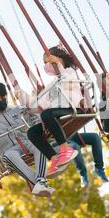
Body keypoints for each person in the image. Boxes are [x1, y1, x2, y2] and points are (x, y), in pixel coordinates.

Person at [18, 46, 91, 178]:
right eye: (45, 63)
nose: (47, 65)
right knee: (32, 132)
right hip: (56, 113)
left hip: (72, 107)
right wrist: (24, 98)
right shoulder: (53, 82)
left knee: (47, 114)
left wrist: (57, 64)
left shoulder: (70, 72)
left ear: (60, 59)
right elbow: (39, 103)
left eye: (49, 61)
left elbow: (67, 82)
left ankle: (65, 148)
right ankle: (54, 158)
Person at [0, 81, 53, 197]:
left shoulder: (18, 110)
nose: (0, 101)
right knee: (9, 156)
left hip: (26, 142)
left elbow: (37, 118)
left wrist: (25, 99)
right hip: (8, 150)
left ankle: (40, 181)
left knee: (39, 145)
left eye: (3, 97)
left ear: (6, 96)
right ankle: (38, 183)